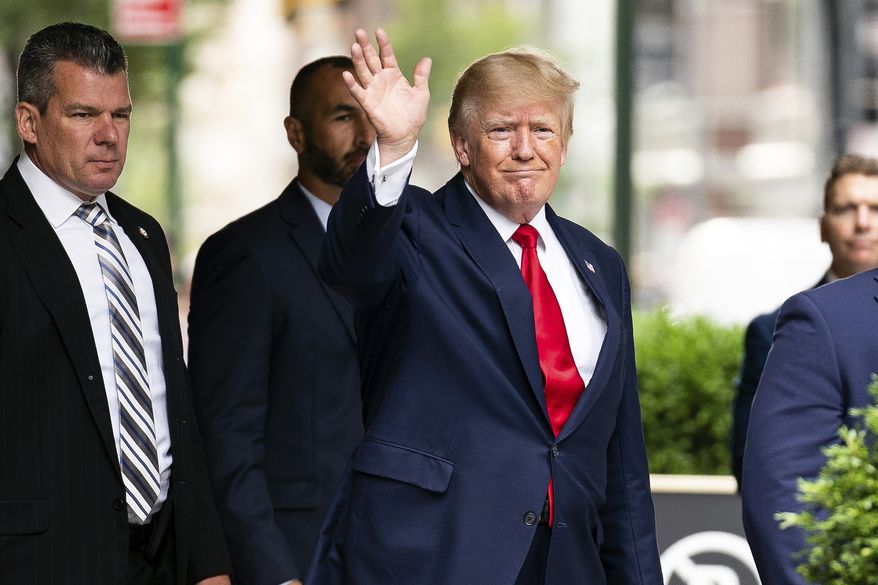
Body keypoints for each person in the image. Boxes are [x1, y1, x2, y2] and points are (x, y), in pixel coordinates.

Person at [306, 29, 662, 585]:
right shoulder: (415, 230)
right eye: (502, 130)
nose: (525, 149)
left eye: (542, 130)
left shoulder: (600, 263)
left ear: (564, 145)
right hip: (435, 557)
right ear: (462, 145)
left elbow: (622, 461)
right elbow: (349, 265)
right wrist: (394, 147)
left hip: (570, 564)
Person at [0, 22, 231, 584]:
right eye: (83, 115)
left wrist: (209, 564)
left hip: (162, 560)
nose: (109, 135)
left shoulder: (143, 236)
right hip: (42, 564)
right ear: (29, 122)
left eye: (120, 115)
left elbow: (172, 408)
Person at [187, 56, 371, 585]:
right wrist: (274, 574)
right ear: (296, 133)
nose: (362, 135)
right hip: (301, 555)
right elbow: (226, 438)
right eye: (341, 117)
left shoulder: (416, 243)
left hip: (405, 552)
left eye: (368, 117)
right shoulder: (244, 255)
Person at [731, 153, 878, 489]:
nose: (863, 223)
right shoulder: (772, 331)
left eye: (876, 208)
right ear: (823, 226)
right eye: (847, 208)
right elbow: (754, 463)